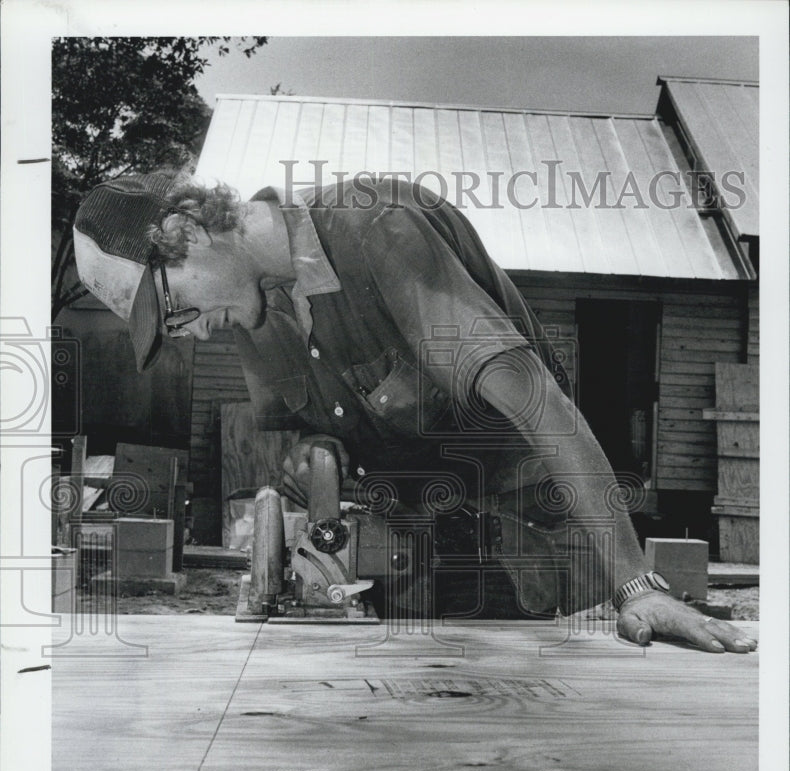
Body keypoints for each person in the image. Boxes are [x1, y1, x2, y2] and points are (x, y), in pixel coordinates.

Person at [73, 171, 756, 653]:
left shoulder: (379, 227)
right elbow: (309, 441)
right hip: (415, 572)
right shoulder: (252, 317)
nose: (189, 333)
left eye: (174, 310)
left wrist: (635, 584)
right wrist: (315, 515)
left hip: (540, 550)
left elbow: (542, 407)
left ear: (188, 227)